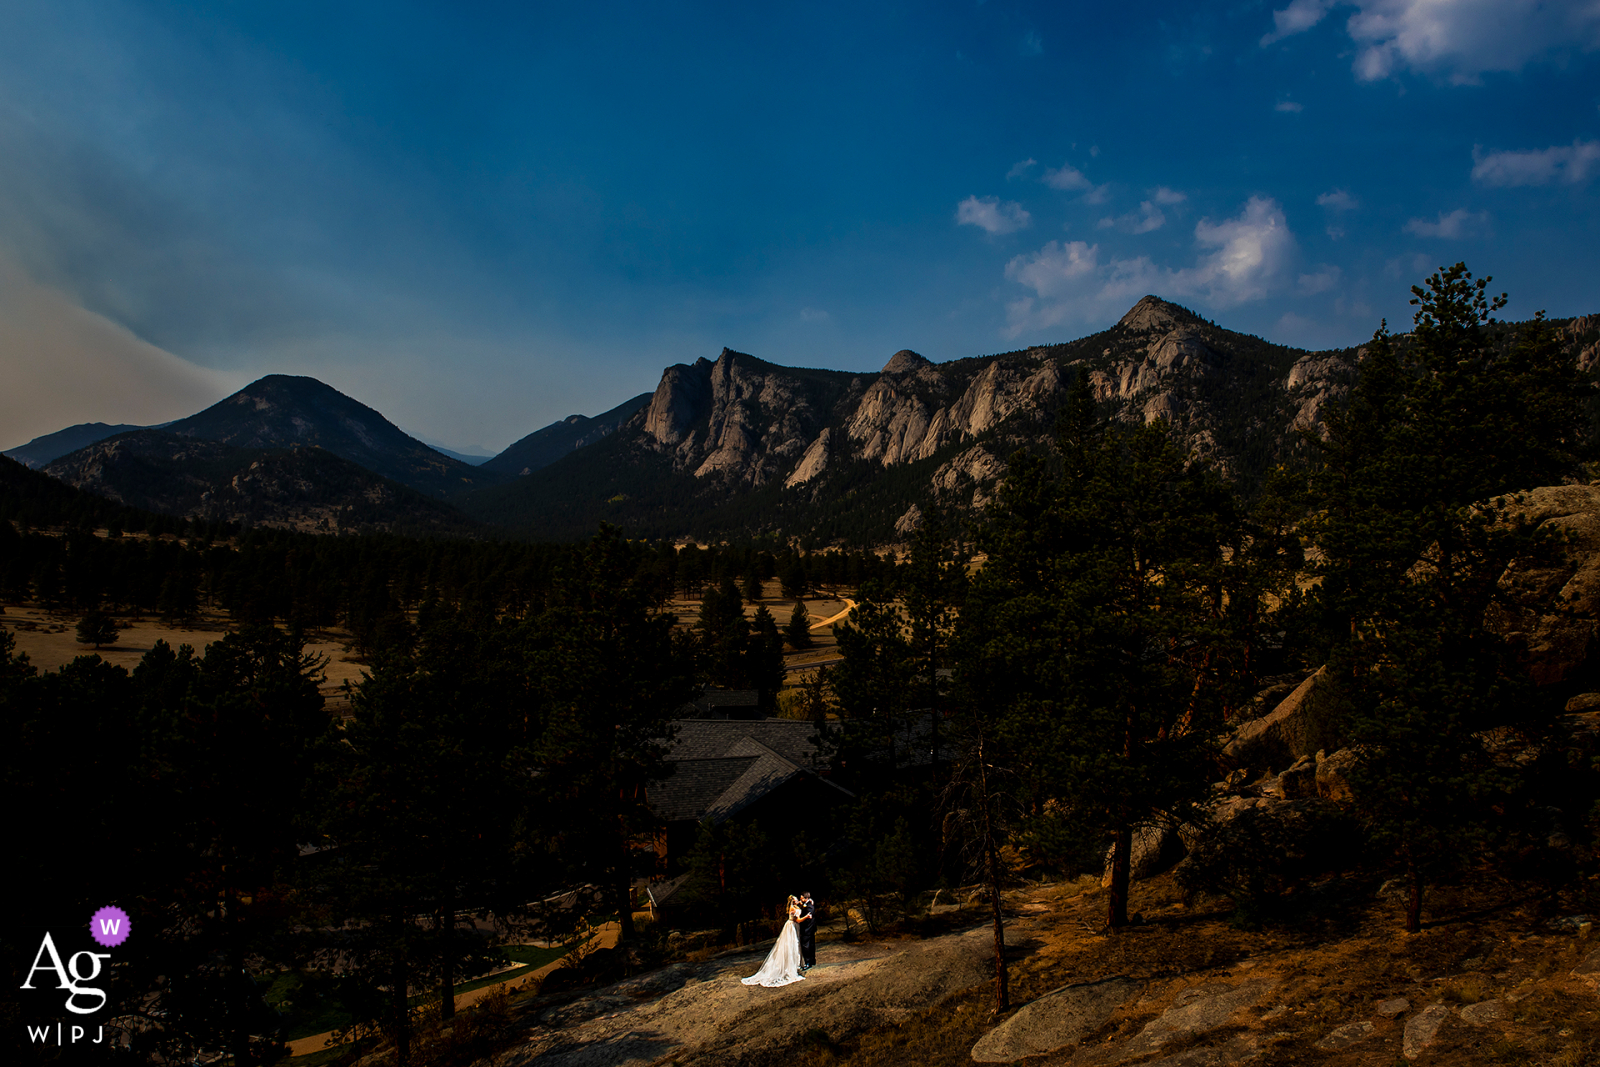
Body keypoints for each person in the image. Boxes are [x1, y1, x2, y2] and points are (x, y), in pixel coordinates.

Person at [741, 895, 805, 987]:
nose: (797, 900)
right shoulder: (792, 908)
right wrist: (807, 917)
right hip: (791, 927)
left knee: (795, 944)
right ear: (792, 901)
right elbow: (798, 919)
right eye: (795, 899)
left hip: (794, 926)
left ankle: (795, 965)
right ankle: (789, 967)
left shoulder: (795, 906)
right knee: (791, 944)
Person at [797, 891, 816, 971]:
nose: (800, 899)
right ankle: (812, 961)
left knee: (806, 946)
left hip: (807, 930)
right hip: (810, 930)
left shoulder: (809, 907)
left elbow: (808, 919)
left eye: (801, 898)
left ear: (806, 898)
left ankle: (808, 963)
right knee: (810, 945)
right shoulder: (809, 904)